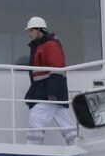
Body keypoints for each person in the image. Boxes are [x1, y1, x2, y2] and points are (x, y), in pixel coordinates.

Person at [23, 16, 75, 145]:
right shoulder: (41, 46)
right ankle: (76, 144)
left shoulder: (49, 45)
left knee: (36, 118)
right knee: (65, 122)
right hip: (49, 92)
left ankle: (34, 151)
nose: (28, 33)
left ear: (39, 30)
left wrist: (52, 93)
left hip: (48, 93)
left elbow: (56, 69)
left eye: (30, 30)